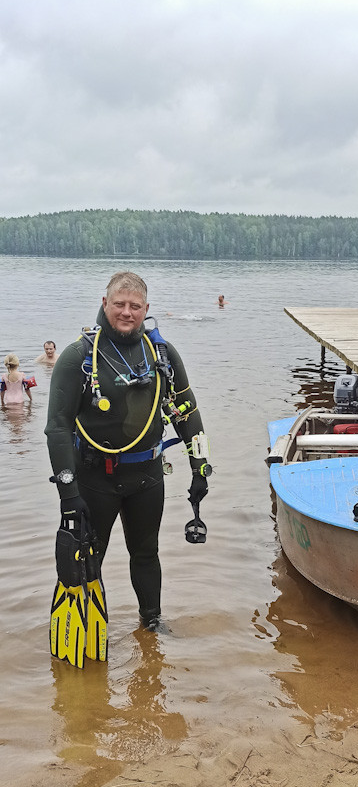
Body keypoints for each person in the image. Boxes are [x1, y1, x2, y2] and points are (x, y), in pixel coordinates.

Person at [45, 271, 210, 632]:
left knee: (147, 553)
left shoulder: (161, 354)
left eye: (135, 306)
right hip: (93, 478)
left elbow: (187, 412)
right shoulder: (78, 357)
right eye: (119, 304)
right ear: (105, 304)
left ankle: (151, 623)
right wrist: (68, 494)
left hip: (147, 478)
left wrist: (200, 468)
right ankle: (85, 629)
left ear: (146, 308)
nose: (126, 312)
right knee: (88, 559)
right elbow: (57, 427)